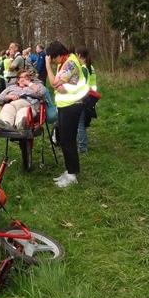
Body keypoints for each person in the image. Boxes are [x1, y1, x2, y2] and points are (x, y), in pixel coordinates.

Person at [45, 41, 90, 188]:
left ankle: (72, 176)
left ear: (58, 55)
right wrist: (60, 86)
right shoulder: (64, 62)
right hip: (66, 105)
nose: (52, 62)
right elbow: (60, 85)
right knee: (65, 139)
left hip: (72, 106)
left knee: (68, 140)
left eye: (52, 59)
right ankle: (70, 170)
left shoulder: (69, 63)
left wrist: (47, 66)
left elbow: (53, 83)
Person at [76, 46, 97, 153]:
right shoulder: (90, 67)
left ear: (79, 55)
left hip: (83, 97)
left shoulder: (83, 68)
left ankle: (83, 146)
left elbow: (81, 85)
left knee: (80, 123)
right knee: (82, 122)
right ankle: (82, 144)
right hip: (90, 96)